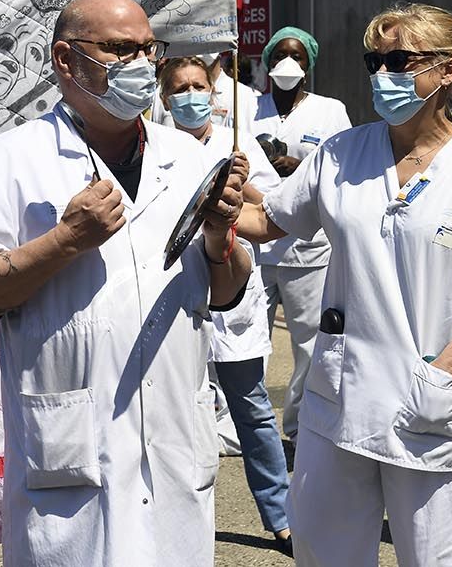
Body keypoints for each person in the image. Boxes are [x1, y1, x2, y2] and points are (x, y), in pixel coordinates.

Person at [0, 0, 252, 565]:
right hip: (73, 450)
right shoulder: (13, 159)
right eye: (118, 49)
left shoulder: (186, 157)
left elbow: (226, 293)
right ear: (65, 59)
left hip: (174, 438)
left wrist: (219, 236)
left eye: (147, 50)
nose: (139, 64)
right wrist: (65, 242)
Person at [237, 3, 452, 566]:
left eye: (398, 60)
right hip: (340, 396)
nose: (381, 74)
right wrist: (206, 182)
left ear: (447, 71)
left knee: (436, 558)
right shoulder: (341, 152)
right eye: (374, 60)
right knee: (320, 548)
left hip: (431, 399)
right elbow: (268, 222)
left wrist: (450, 366)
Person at [157, 56, 293, 553]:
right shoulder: (153, 147)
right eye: (180, 88)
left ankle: (281, 516)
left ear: (212, 93)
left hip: (232, 298)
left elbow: (273, 214)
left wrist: (238, 182)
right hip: (173, 299)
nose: (191, 95)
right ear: (165, 97)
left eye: (198, 85)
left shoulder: (237, 144)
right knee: (173, 413)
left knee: (252, 409)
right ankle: (175, 522)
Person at [252, 26, 352, 442]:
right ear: (267, 63)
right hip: (254, 242)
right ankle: (247, 429)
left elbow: (343, 168)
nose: (287, 65)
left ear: (309, 67)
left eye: (297, 58)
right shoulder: (247, 106)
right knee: (245, 341)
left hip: (307, 248)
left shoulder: (330, 111)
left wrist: (300, 167)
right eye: (279, 56)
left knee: (310, 345)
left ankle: (297, 429)